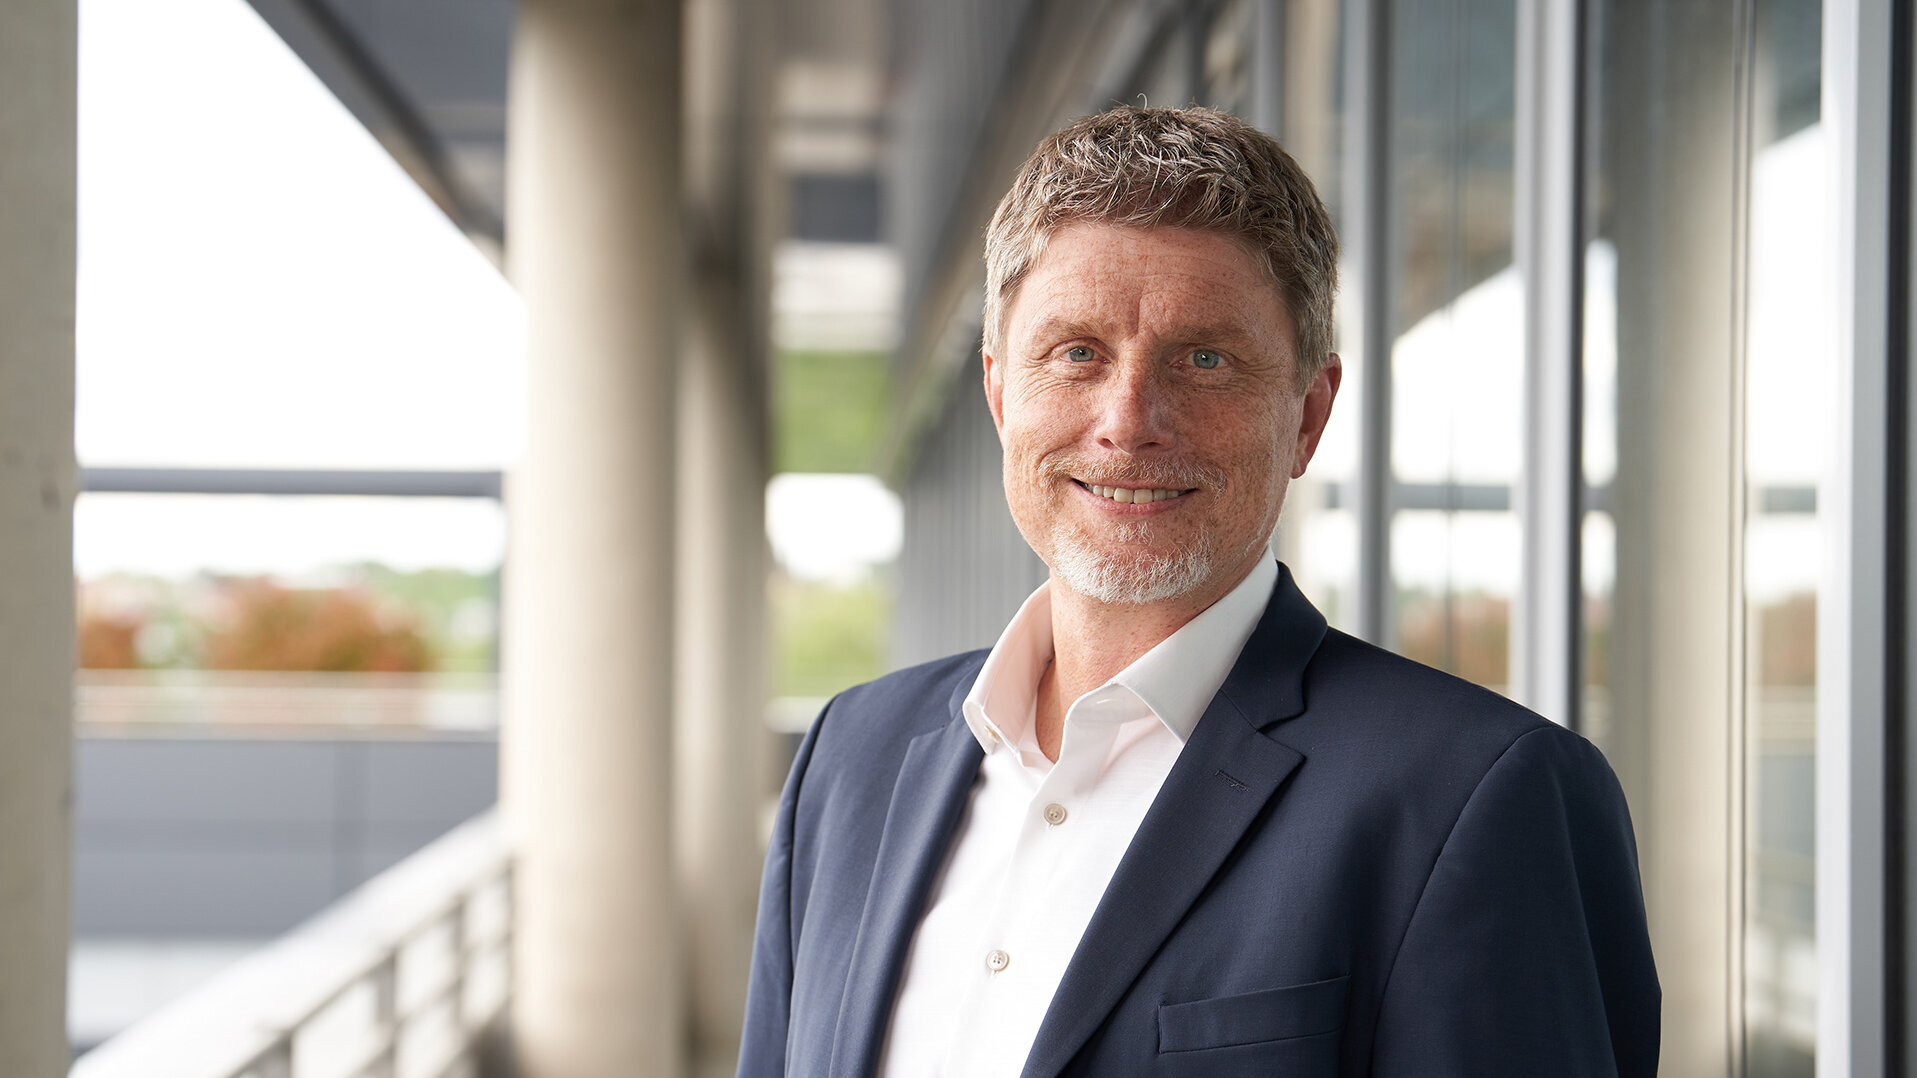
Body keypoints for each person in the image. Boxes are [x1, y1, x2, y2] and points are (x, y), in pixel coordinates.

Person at [737, 105, 1658, 1077]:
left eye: (1205, 359)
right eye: (1078, 352)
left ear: (1309, 416)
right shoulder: (850, 759)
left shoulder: (1479, 799)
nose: (1130, 421)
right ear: (1002, 392)